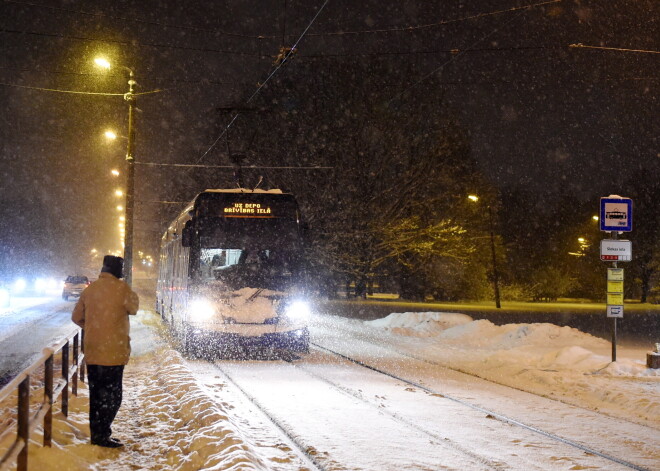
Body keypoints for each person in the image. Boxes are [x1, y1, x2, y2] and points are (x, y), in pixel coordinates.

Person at [71, 255, 139, 448]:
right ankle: (103, 433)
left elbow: (76, 317)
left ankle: (97, 434)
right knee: (113, 396)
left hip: (93, 352)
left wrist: (93, 327)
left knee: (96, 395)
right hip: (114, 352)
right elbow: (134, 308)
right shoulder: (122, 289)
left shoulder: (90, 289)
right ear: (117, 270)